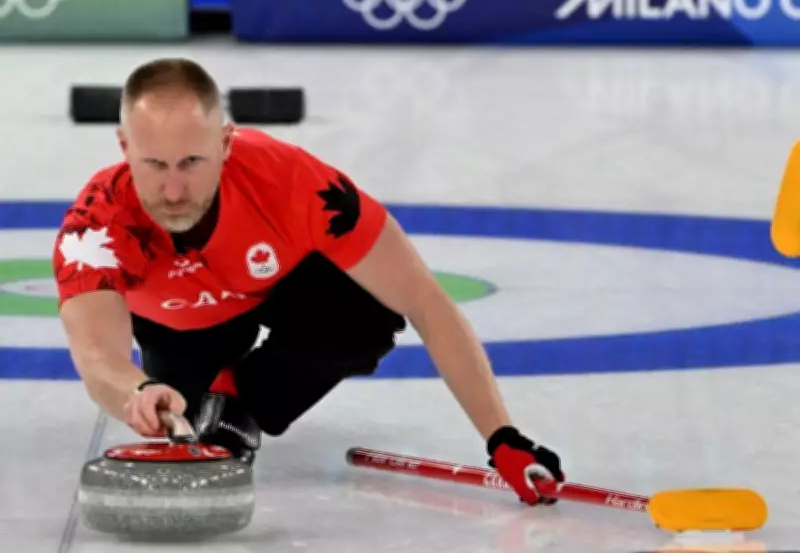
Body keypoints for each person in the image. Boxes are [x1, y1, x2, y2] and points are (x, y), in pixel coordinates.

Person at [52, 58, 564, 506]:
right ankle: (206, 387)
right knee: (185, 410)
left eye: (192, 161)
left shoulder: (295, 183)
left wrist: (502, 437)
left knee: (367, 315)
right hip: (180, 330)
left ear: (226, 142)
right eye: (154, 165)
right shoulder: (96, 226)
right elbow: (97, 354)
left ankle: (242, 398)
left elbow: (425, 301)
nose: (175, 189)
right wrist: (139, 390)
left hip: (278, 291)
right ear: (124, 147)